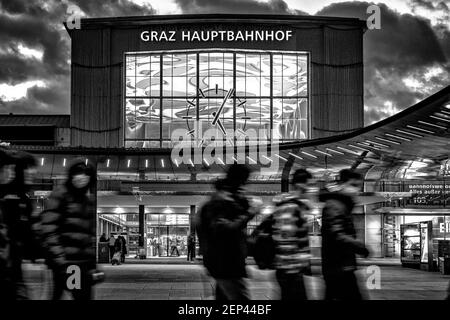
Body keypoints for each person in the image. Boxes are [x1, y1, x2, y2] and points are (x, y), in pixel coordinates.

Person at [196, 164, 259, 300]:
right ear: (239, 180)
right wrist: (250, 213)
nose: (245, 186)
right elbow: (224, 229)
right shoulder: (220, 201)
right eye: (244, 181)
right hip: (225, 263)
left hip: (226, 262)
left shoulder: (226, 198)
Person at [39, 159, 97, 300]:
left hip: (81, 263)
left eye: (86, 175)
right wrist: (60, 259)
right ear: (71, 175)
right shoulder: (61, 195)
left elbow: (89, 236)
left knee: (75, 294)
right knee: (77, 294)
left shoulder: (87, 200)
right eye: (78, 174)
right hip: (69, 263)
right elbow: (49, 229)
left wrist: (92, 265)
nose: (82, 178)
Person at [320, 169, 369, 300]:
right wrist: (358, 246)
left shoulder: (341, 205)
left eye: (358, 186)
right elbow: (336, 233)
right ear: (342, 184)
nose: (356, 190)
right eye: (353, 185)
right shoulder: (335, 206)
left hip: (340, 266)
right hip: (339, 267)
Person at [269, 168, 314, 300]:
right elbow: (285, 236)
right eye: (310, 185)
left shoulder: (294, 206)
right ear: (300, 185)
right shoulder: (290, 207)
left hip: (290, 268)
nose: (312, 189)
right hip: (290, 268)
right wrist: (298, 263)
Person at [0, 149, 37, 300]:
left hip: (13, 267)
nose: (32, 172)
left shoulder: (24, 200)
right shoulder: (7, 198)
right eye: (26, 168)